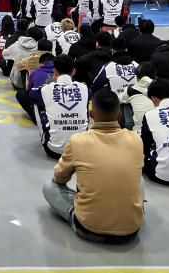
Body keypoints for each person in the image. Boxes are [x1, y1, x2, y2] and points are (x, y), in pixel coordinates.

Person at [43, 90, 143, 242]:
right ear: (119, 115)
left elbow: (59, 178)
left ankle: (79, 213)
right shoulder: (136, 140)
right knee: (139, 180)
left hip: (88, 228)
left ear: (91, 114)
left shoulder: (77, 140)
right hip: (131, 230)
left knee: (48, 187)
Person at [28, 56, 89, 157]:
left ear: (55, 72)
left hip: (54, 150)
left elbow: (30, 94)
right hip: (81, 150)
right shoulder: (84, 88)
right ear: (73, 71)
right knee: (84, 101)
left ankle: (46, 135)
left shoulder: (46, 89)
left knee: (37, 101)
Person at [124, 61, 157, 130]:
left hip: (139, 133)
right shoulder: (162, 88)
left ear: (137, 77)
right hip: (159, 131)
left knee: (126, 103)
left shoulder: (130, 89)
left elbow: (118, 99)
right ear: (155, 76)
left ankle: (128, 126)